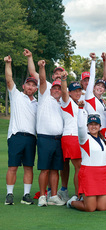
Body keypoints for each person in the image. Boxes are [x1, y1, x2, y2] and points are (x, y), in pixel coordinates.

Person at [4, 55, 38, 205]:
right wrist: (8, 64)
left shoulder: (38, 103)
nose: (30, 87)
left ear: (36, 88)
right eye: (28, 84)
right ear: (24, 86)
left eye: (33, 85)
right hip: (16, 136)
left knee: (29, 167)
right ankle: (9, 194)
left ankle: (26, 195)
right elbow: (9, 79)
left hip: (31, 138)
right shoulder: (16, 95)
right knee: (13, 166)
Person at [67, 101, 106, 212]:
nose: (93, 126)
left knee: (101, 207)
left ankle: (85, 198)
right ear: (88, 126)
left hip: (103, 174)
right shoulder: (84, 138)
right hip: (89, 173)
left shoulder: (103, 140)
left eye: (96, 124)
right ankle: (72, 202)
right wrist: (81, 109)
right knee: (90, 208)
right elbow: (80, 126)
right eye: (91, 124)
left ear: (100, 126)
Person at [35, 60, 65, 207]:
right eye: (55, 88)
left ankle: (53, 196)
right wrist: (42, 67)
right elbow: (41, 79)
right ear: (51, 89)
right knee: (45, 169)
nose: (57, 90)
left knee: (55, 170)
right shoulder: (44, 96)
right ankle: (42, 196)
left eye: (59, 89)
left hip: (58, 139)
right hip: (44, 138)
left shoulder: (63, 103)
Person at [59, 71, 82, 201]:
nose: (78, 93)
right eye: (75, 91)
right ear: (70, 92)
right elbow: (63, 92)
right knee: (79, 166)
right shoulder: (67, 101)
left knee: (75, 166)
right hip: (71, 136)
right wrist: (63, 80)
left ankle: (69, 191)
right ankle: (79, 195)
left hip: (74, 136)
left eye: (79, 90)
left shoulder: (78, 104)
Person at [85, 53, 106, 138]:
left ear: (104, 90)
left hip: (103, 132)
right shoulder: (89, 96)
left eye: (102, 87)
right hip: (92, 132)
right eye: (98, 85)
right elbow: (92, 77)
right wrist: (93, 61)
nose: (100, 88)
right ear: (94, 87)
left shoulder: (102, 102)